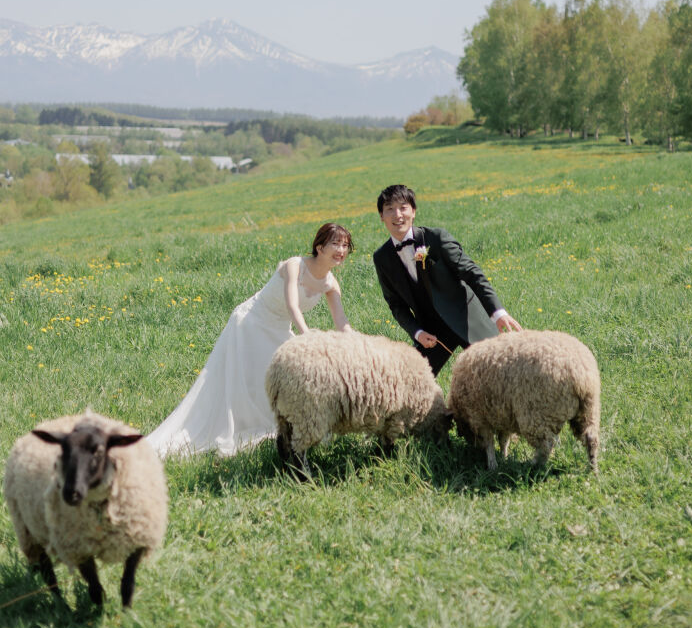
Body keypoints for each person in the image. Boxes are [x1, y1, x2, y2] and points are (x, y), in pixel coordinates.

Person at [148, 222, 353, 457]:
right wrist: (306, 337)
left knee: (283, 382)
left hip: (279, 328)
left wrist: (358, 344)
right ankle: (237, 427)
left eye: (345, 245)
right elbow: (292, 305)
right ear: (320, 247)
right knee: (250, 382)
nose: (341, 250)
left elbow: (341, 320)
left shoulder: (330, 283)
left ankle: (284, 430)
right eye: (336, 243)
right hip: (251, 322)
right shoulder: (295, 265)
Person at [373, 184, 522, 375]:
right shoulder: (382, 257)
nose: (397, 215)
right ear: (381, 216)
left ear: (414, 211)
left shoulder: (436, 238)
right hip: (431, 332)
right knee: (411, 379)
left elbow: (472, 273)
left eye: (403, 208)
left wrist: (497, 312)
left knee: (501, 372)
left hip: (466, 318)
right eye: (390, 209)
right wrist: (417, 333)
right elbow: (396, 305)